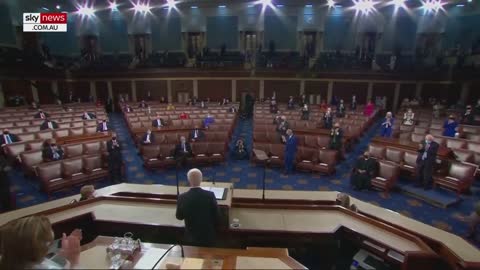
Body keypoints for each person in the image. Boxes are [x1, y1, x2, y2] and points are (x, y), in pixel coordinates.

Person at [0, 216, 82, 270]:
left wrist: (64, 257)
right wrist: (74, 261)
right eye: (48, 244)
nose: (49, 246)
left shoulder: (9, 258)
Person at [176, 168, 219, 247]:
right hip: (208, 236)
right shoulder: (210, 195)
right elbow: (217, 216)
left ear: (188, 180)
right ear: (201, 179)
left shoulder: (182, 197)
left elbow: (179, 217)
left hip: (191, 237)